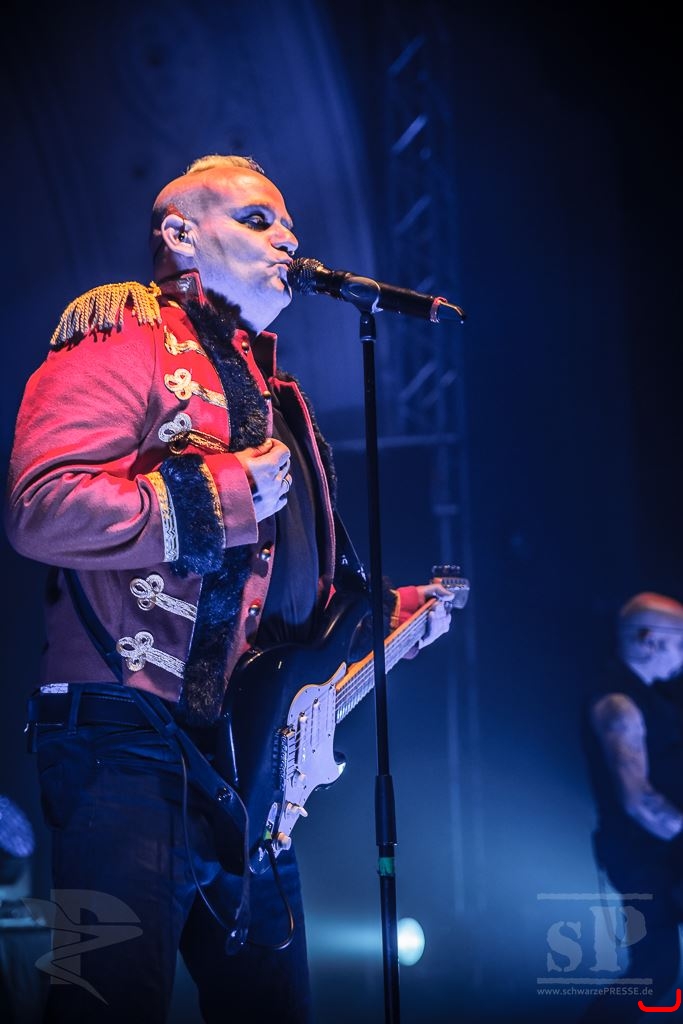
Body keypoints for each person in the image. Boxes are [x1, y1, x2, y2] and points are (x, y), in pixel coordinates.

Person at [4, 154, 457, 1024]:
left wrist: (396, 615)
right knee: (104, 1004)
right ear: (180, 234)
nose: (286, 237)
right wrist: (222, 494)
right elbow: (41, 507)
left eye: (289, 224)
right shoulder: (123, 331)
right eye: (257, 220)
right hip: (124, 741)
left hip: (244, 766)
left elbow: (291, 600)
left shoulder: (278, 394)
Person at [582, 591, 683, 1020]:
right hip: (644, 856)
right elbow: (637, 799)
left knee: (657, 973)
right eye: (680, 641)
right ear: (649, 638)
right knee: (655, 973)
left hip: (662, 853)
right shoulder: (617, 705)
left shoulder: (653, 699)